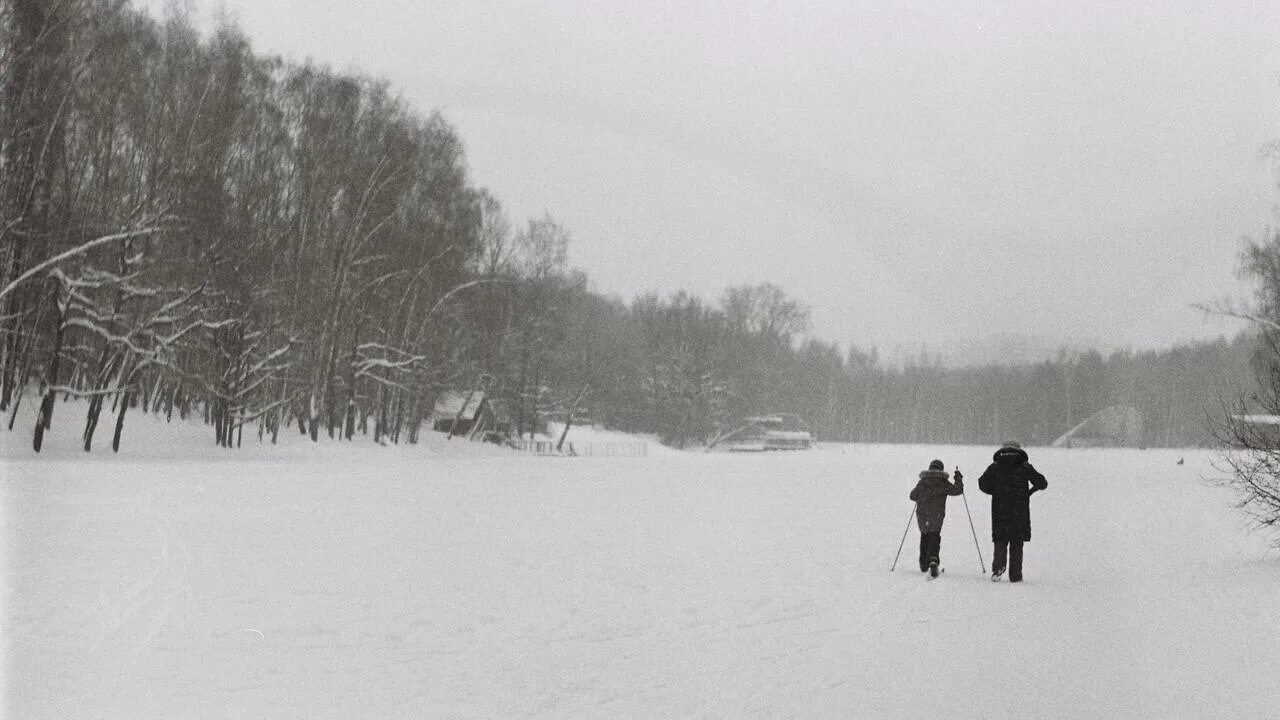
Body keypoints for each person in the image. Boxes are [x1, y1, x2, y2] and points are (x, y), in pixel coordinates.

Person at [977, 441, 1048, 583]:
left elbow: (982, 484)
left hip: (1000, 508)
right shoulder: (1024, 467)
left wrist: (996, 491)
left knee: (1000, 539)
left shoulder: (995, 467)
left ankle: (998, 568)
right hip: (1019, 509)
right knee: (1017, 541)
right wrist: (1029, 491)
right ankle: (1015, 575)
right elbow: (1042, 483)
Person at [908, 459, 964, 577]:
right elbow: (957, 490)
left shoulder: (923, 482)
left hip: (922, 515)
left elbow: (912, 496)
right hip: (937, 515)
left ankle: (923, 563)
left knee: (924, 536)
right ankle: (933, 559)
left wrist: (921, 495)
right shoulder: (943, 482)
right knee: (934, 536)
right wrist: (958, 479)